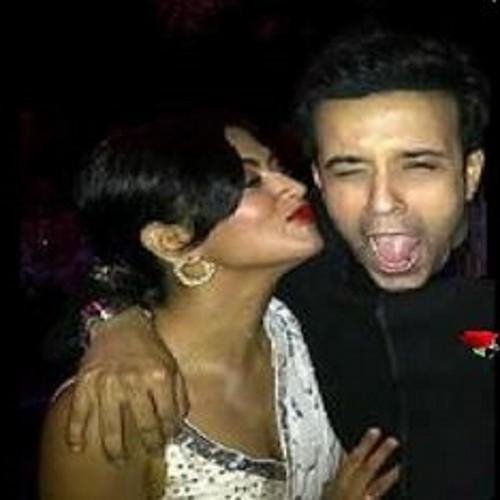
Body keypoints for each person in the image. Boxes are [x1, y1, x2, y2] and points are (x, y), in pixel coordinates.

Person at [58, 26, 495, 499]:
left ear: (470, 171)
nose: (382, 202)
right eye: (349, 169)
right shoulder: (310, 272)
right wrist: (114, 323)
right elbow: (117, 259)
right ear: (321, 178)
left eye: (419, 164)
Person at [39, 118, 401, 499]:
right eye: (252, 181)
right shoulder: (115, 408)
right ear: (172, 240)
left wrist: (110, 318)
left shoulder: (313, 309)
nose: (294, 186)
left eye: (277, 167)